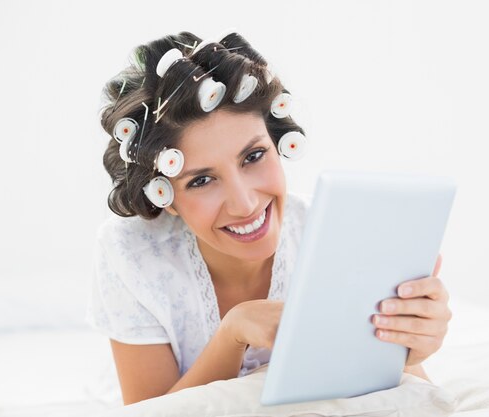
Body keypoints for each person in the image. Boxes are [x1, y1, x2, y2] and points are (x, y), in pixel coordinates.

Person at [85, 30, 453, 406]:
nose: (244, 204)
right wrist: (234, 333)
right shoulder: (130, 253)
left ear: (278, 145)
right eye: (201, 180)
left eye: (254, 157)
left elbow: (406, 390)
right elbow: (150, 410)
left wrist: (409, 351)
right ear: (165, 199)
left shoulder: (333, 235)